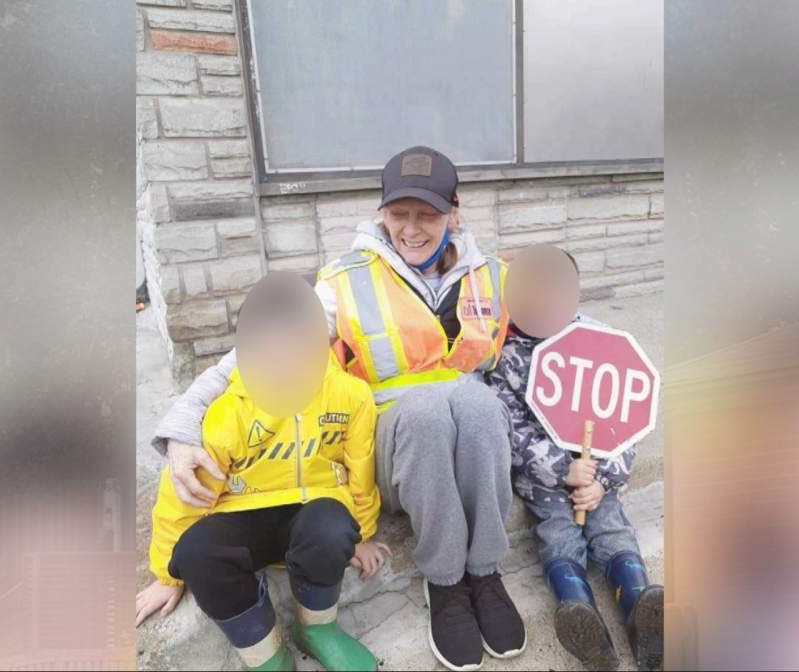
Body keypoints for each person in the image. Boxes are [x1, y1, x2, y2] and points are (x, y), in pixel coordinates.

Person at [152, 146, 524, 671]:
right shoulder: (343, 281)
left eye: (429, 214)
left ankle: (484, 573)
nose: (412, 229)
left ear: (455, 212)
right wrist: (184, 427)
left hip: (466, 439)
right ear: (382, 213)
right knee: (424, 412)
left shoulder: (492, 274)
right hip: (396, 456)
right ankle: (444, 583)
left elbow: (545, 344)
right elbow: (255, 355)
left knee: (479, 402)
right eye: (400, 213)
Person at [136, 277, 390, 672]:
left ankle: (317, 629)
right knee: (197, 553)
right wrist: (164, 573)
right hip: (243, 520)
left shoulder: (350, 396)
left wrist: (364, 533)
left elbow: (361, 468)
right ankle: (265, 655)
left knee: (332, 528)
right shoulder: (228, 411)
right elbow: (183, 495)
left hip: (312, 514)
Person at [484, 251, 664, 671]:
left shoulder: (600, 345)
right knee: (560, 537)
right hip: (545, 485)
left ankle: (640, 604)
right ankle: (578, 612)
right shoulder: (506, 358)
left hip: (597, 482)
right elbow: (513, 432)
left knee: (613, 529)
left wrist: (603, 478)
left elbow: (627, 423)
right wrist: (561, 470)